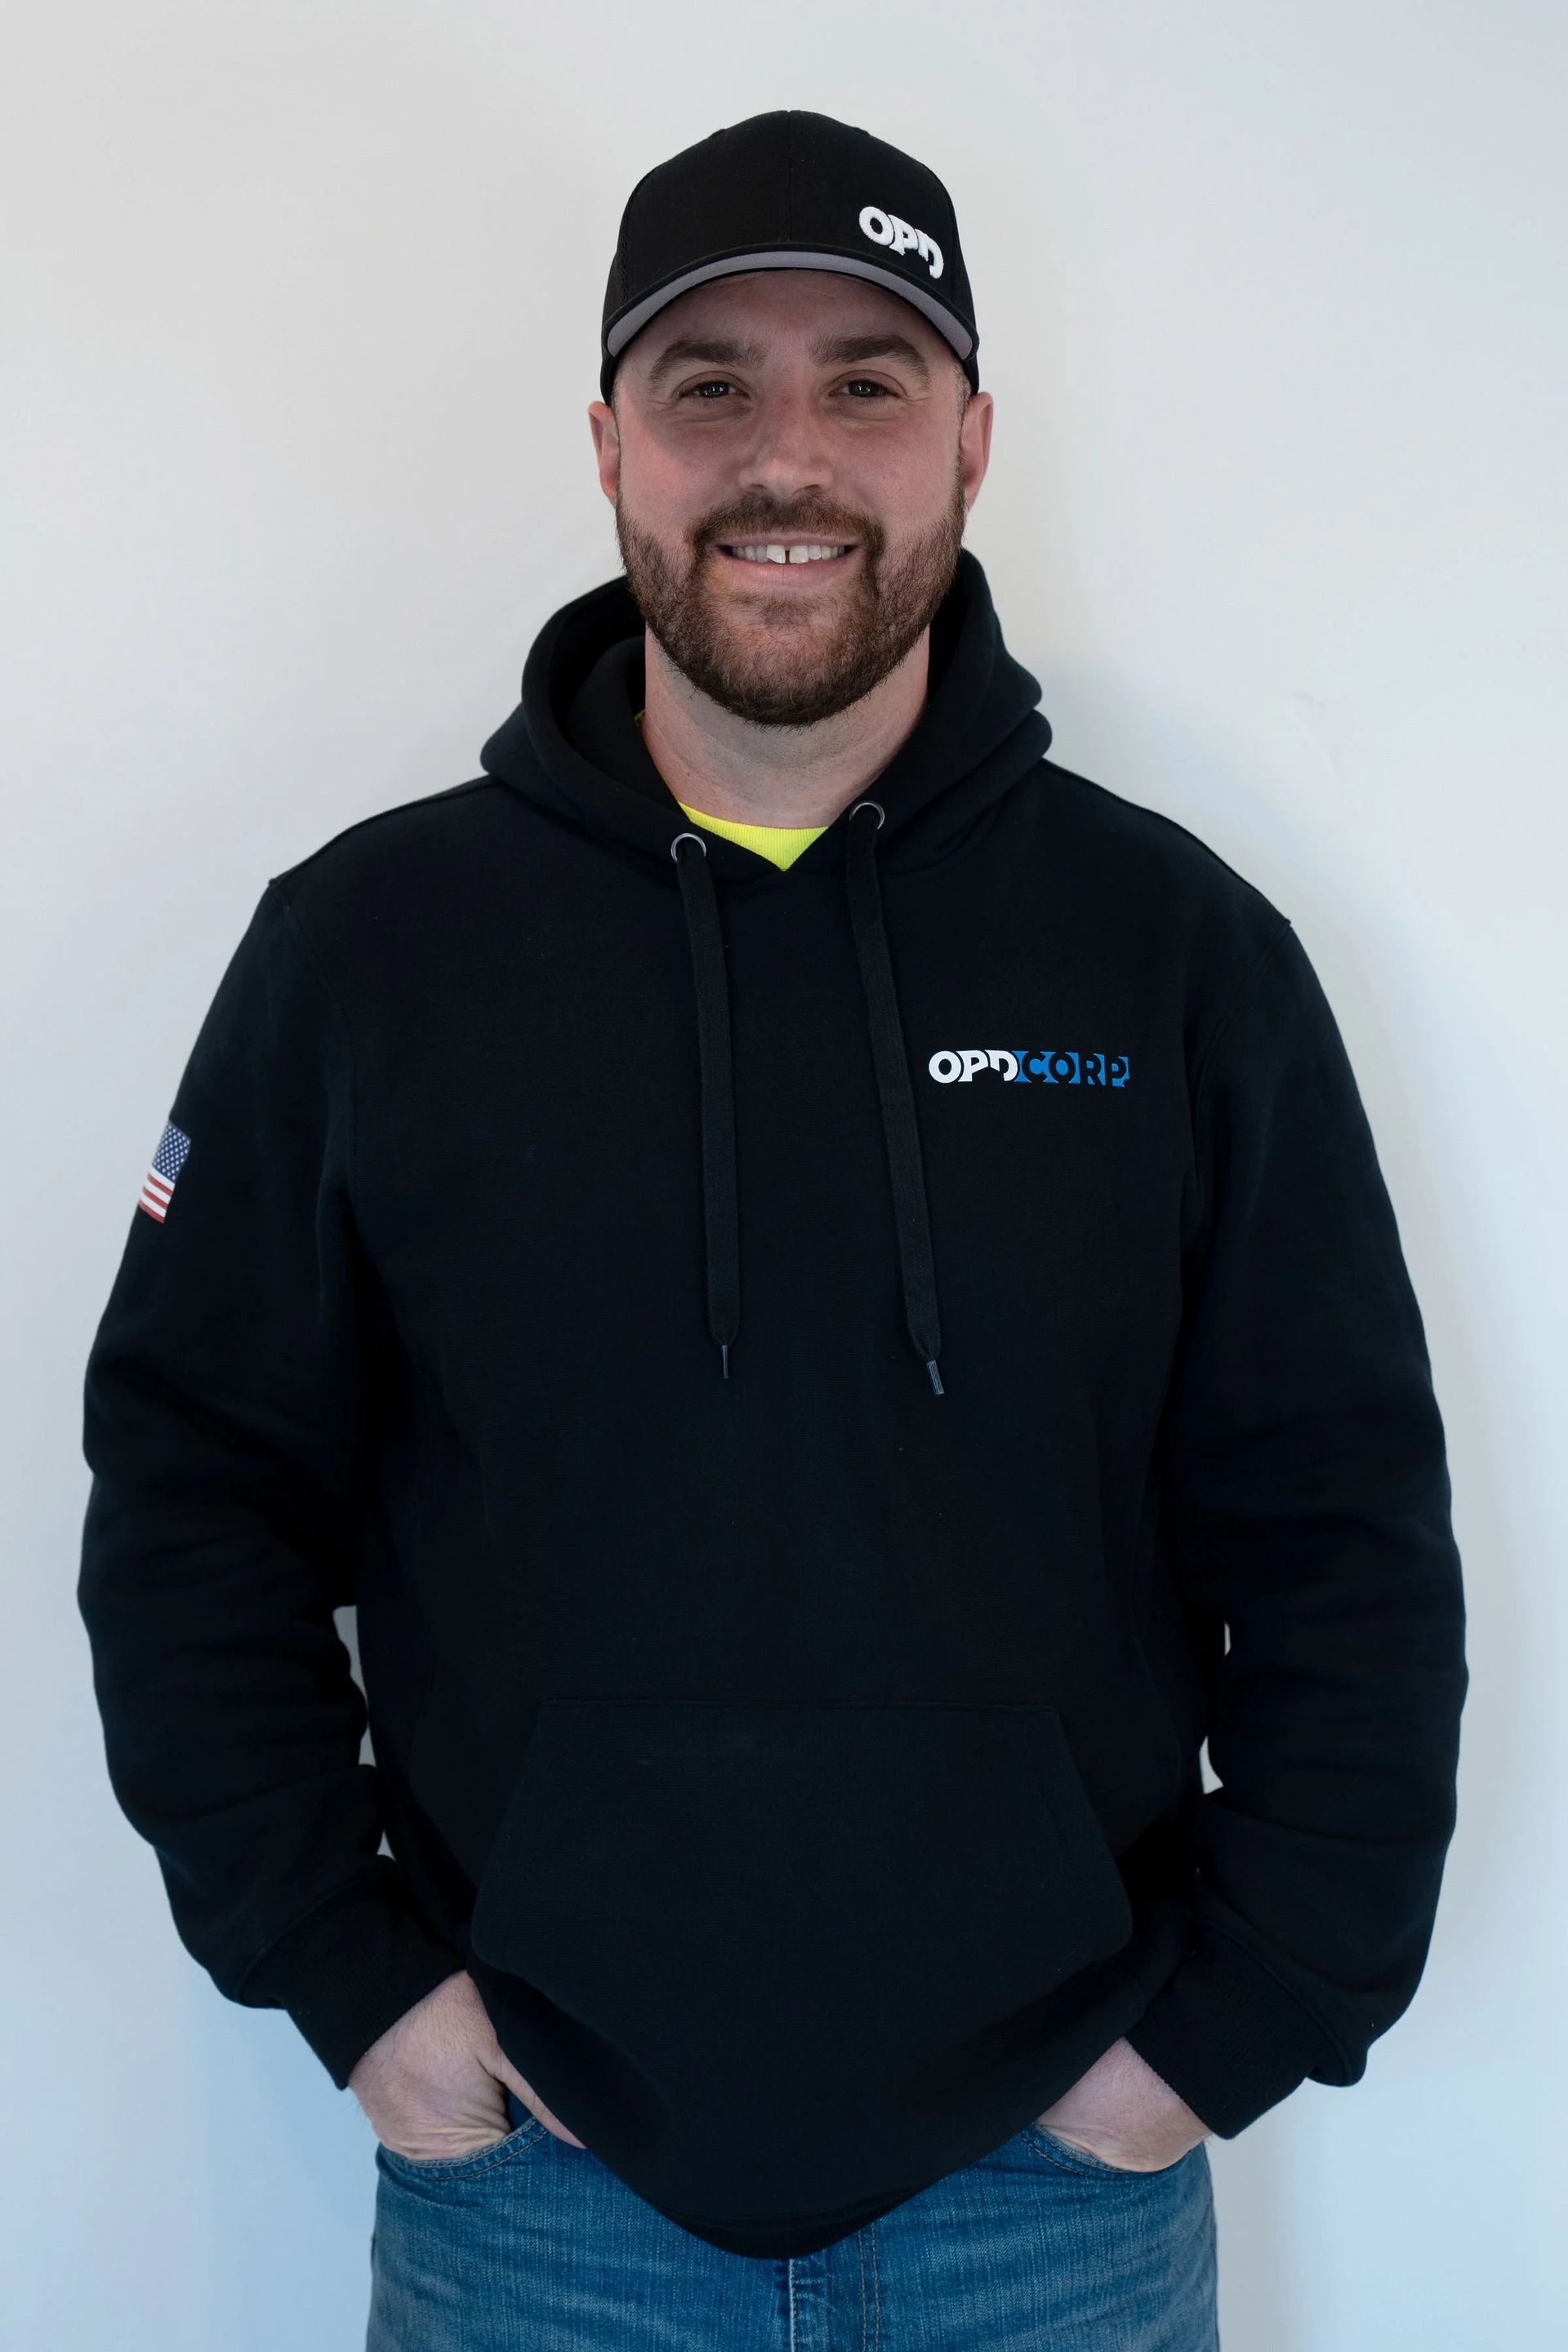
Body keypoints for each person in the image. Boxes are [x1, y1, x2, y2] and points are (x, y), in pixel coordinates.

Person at [78, 109, 1468, 2350]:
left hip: (1055, 2201)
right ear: (611, 447)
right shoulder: (367, 956)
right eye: (710, 384)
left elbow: (1341, 1527)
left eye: (867, 379)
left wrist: (1234, 2027)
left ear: (973, 441)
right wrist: (352, 1982)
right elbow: (193, 1500)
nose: (786, 456)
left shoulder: (1173, 957)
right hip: (541, 2200)